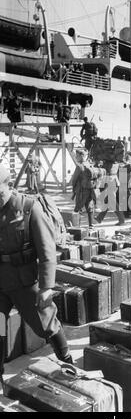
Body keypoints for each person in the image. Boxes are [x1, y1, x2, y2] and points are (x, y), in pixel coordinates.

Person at [0, 164, 73, 386]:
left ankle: (68, 363)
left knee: (46, 324)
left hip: (25, 281)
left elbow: (47, 249)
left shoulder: (30, 208)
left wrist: (47, 286)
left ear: (9, 186)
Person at [71, 149, 105, 227]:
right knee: (89, 207)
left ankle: (75, 226)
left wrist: (74, 188)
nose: (76, 157)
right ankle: (91, 224)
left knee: (78, 207)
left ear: (81, 156)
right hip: (90, 189)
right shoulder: (89, 164)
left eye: (77, 156)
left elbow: (74, 179)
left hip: (82, 190)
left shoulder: (79, 166)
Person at [94, 159, 125, 226]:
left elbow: (104, 171)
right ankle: (99, 218)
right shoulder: (115, 163)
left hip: (111, 183)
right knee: (107, 202)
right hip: (113, 181)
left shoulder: (109, 164)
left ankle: (121, 219)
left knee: (113, 202)